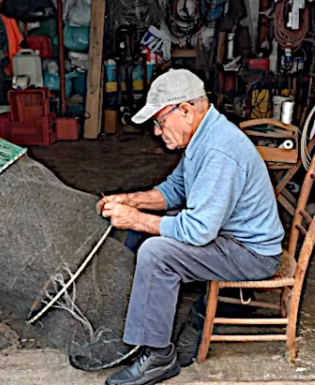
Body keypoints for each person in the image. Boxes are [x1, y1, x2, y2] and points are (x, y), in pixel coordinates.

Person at [97, 69, 284, 385]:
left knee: (157, 252)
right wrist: (131, 200)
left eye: (159, 122)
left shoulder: (218, 150)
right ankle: (137, 322)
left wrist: (136, 218)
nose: (157, 132)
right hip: (229, 240)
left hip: (252, 254)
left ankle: (157, 356)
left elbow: (198, 230)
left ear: (185, 110)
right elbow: (174, 190)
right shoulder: (203, 136)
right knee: (144, 231)